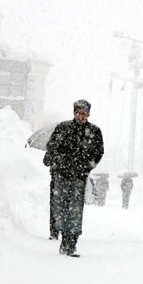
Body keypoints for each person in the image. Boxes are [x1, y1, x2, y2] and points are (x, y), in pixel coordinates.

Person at [46, 99, 104, 257]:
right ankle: (63, 236)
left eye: (84, 113)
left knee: (76, 210)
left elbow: (98, 152)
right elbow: (52, 146)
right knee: (60, 208)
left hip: (79, 176)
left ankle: (71, 242)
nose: (81, 116)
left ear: (88, 114)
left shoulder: (94, 131)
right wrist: (56, 159)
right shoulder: (63, 128)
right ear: (74, 113)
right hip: (61, 174)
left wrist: (88, 165)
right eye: (78, 113)